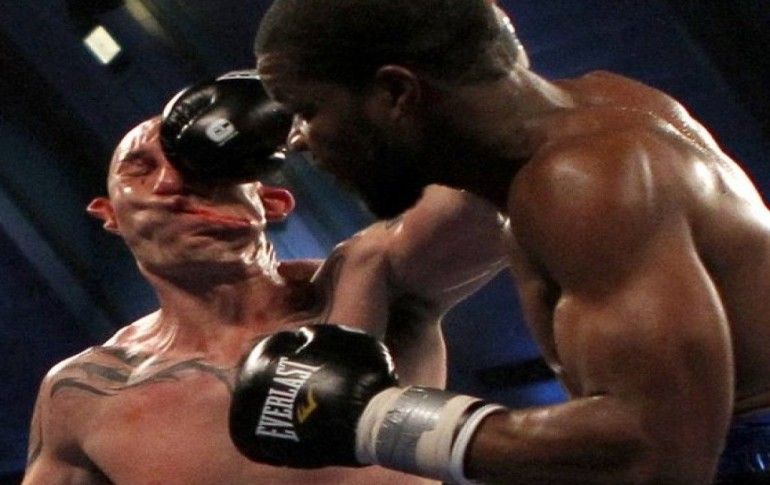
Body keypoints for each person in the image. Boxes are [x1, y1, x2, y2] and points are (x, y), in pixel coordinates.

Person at [240, 0, 770, 483]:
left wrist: (376, 419)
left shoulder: (584, 183)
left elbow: (658, 454)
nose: (298, 139)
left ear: (396, 93)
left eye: (307, 108)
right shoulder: (594, 112)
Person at [21, 95, 509, 482]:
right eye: (141, 168)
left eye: (203, 166)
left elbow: (500, 183)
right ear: (109, 215)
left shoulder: (370, 279)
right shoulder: (84, 391)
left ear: (271, 204)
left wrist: (327, 107)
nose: (172, 182)